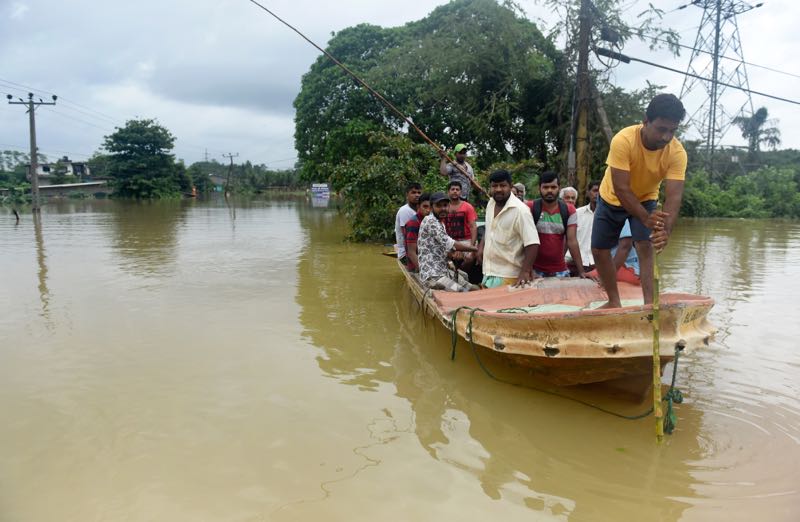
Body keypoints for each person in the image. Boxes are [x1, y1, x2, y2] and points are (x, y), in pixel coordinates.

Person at [591, 93, 687, 308]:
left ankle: (649, 305)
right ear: (646, 121)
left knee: (646, 245)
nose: (666, 137)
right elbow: (622, 189)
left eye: (672, 131)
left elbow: (674, 195)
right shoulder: (623, 140)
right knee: (599, 250)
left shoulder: (677, 152)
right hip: (612, 197)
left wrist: (665, 231)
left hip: (646, 198)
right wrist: (646, 219)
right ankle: (614, 302)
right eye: (661, 129)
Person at [476, 169, 539, 288]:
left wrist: (525, 272)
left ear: (510, 186)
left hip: (509, 275)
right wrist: (481, 247)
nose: (498, 189)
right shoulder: (491, 203)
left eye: (503, 185)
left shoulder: (521, 211)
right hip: (489, 271)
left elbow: (533, 243)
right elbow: (490, 228)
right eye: (494, 186)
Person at [418, 192, 479, 292]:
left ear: (449, 206)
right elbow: (450, 243)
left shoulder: (440, 223)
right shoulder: (430, 221)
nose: (443, 209)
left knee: (471, 287)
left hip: (444, 271)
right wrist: (475, 249)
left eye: (445, 205)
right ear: (432, 207)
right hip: (433, 276)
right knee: (462, 291)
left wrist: (453, 255)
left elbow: (446, 248)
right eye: (438, 206)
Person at [529, 171, 584, 278]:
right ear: (539, 188)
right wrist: (527, 270)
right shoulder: (530, 208)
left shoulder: (569, 210)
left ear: (559, 188)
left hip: (560, 271)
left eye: (553, 187)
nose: (549, 190)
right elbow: (523, 240)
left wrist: (581, 271)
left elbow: (572, 241)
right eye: (545, 187)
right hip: (535, 271)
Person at [566, 180, 600, 276]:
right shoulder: (576, 214)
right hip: (573, 264)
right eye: (595, 190)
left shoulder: (609, 217)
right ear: (588, 193)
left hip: (597, 266)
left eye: (601, 191)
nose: (598, 194)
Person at [444, 181, 478, 272]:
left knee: (470, 258)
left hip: (465, 240)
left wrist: (472, 246)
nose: (455, 191)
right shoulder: (444, 207)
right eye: (452, 189)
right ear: (448, 192)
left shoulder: (468, 207)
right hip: (449, 240)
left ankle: (461, 276)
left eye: (457, 189)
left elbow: (473, 227)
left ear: (461, 192)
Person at [394, 182, 422, 266]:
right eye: (413, 192)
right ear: (407, 195)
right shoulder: (405, 211)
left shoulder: (421, 210)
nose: (417, 195)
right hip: (406, 254)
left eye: (419, 193)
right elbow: (408, 238)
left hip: (418, 249)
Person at [402, 193, 431, 272]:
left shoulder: (430, 221)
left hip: (430, 262)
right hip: (417, 266)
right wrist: (424, 271)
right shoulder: (413, 223)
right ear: (418, 207)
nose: (428, 210)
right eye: (425, 206)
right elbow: (411, 253)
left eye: (430, 207)